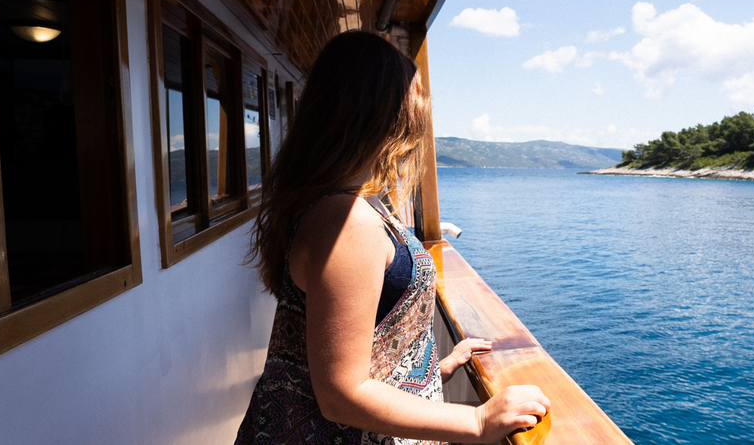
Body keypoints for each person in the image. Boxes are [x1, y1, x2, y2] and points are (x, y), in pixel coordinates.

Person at [235, 30, 550, 445]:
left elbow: (363, 344)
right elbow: (341, 394)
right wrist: (477, 422)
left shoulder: (354, 205)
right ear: (383, 117)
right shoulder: (344, 221)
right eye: (413, 104)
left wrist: (431, 372)